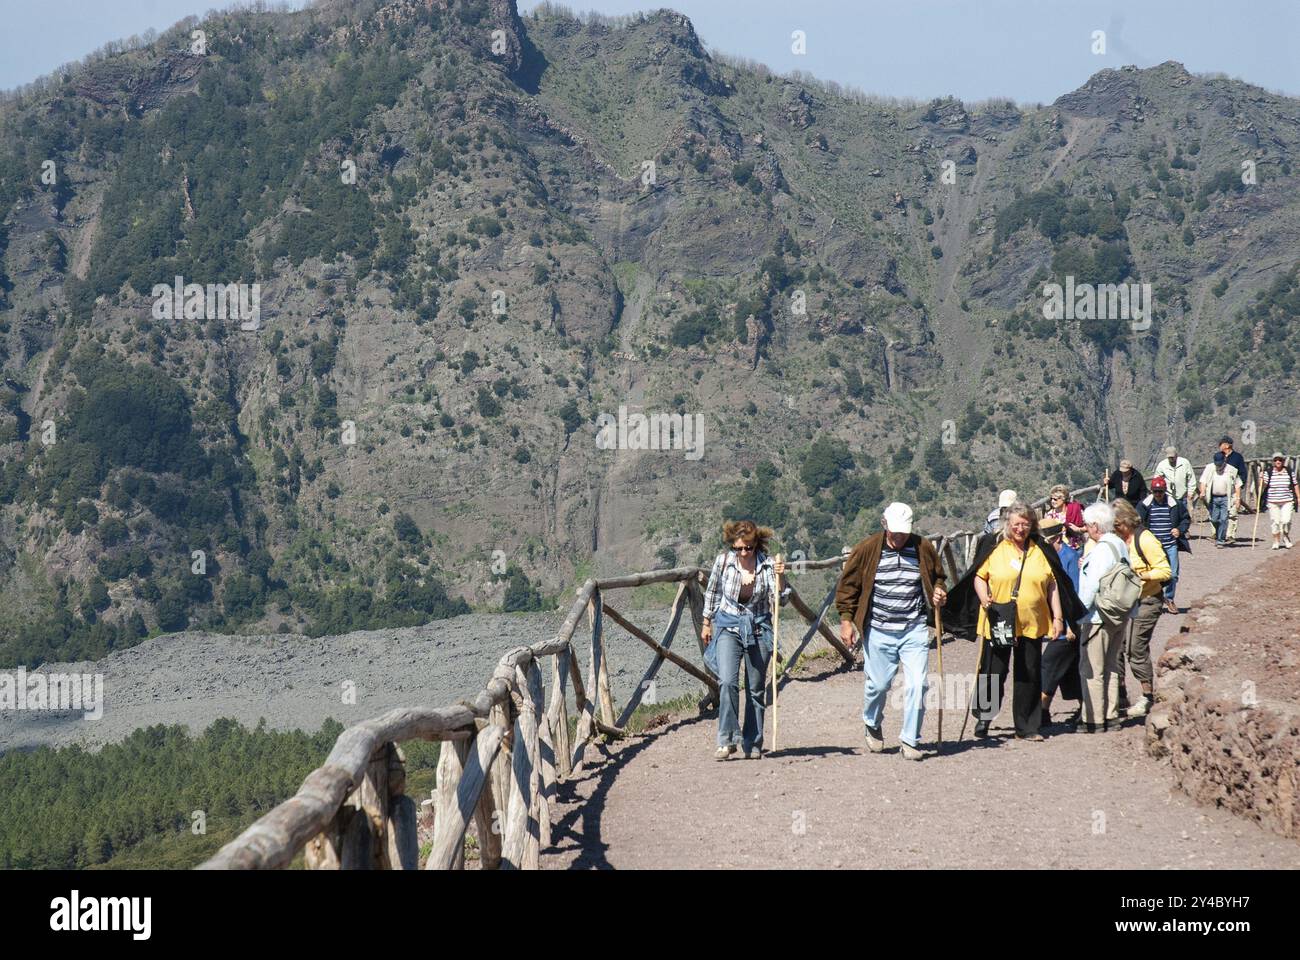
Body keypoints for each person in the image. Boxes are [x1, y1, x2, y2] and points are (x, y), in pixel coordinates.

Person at [946, 503, 1085, 741]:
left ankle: (1027, 726)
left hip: (1032, 620)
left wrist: (1058, 618)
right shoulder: (995, 547)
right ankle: (984, 719)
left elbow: (1053, 585)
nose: (1020, 528)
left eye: (1025, 524)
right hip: (999, 618)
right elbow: (979, 576)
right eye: (1016, 524)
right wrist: (984, 598)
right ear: (1007, 525)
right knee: (993, 671)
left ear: (1031, 525)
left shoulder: (1040, 549)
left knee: (1029, 671)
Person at [835, 502, 948, 760]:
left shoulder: (923, 548)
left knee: (918, 684)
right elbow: (848, 586)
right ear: (884, 525)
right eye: (894, 532)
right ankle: (872, 722)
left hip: (914, 628)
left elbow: (938, 576)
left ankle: (910, 740)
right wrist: (846, 620)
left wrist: (939, 592)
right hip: (878, 628)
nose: (898, 538)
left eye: (903, 533)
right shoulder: (866, 549)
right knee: (878, 685)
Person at [701, 521, 787, 760]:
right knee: (727, 681)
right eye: (738, 548)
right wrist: (706, 622)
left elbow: (780, 598)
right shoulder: (724, 562)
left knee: (755, 689)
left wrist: (781, 577)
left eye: (747, 548)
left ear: (755, 544)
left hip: (758, 627)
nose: (742, 553)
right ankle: (727, 740)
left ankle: (752, 741)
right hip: (728, 626)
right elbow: (713, 592)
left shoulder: (768, 565)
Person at [1111, 499, 1171, 719]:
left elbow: (1165, 571)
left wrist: (1141, 576)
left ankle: (1147, 695)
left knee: (1136, 648)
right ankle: (1118, 694)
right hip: (1125, 601)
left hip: (1147, 599)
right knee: (1117, 647)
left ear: (1127, 520)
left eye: (1117, 524)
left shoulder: (1145, 540)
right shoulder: (1118, 540)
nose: (1115, 529)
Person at [1076, 502, 1130, 731]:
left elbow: (1090, 587)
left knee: (1091, 669)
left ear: (1096, 526)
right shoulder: (1119, 545)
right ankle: (1111, 714)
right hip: (1120, 614)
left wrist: (1078, 615)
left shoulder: (1099, 551)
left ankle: (1093, 718)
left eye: (1088, 525)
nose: (1086, 529)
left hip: (1098, 617)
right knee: (1110, 666)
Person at [1038, 518, 1083, 725]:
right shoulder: (1051, 558)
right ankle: (1085, 707)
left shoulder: (1069, 558)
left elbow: (1073, 594)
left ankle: (1041, 710)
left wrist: (1070, 625)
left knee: (1049, 664)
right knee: (1069, 668)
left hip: (1068, 627)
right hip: (1057, 624)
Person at [1138, 476, 1191, 614]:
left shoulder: (1175, 504)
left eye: (1160, 491)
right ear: (1152, 491)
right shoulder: (1144, 505)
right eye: (1155, 491)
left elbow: (1186, 518)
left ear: (1165, 491)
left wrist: (1179, 529)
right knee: (1155, 573)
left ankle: (1169, 598)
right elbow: (1137, 522)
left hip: (1170, 544)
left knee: (1173, 574)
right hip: (1152, 548)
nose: (1158, 495)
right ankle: (1155, 599)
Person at [1198, 451, 1241, 547]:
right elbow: (1203, 481)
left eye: (1220, 463)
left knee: (1223, 519)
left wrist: (1238, 498)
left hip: (1226, 498)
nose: (1218, 466)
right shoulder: (1209, 468)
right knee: (1214, 519)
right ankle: (1218, 535)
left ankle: (1220, 540)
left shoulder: (1232, 470)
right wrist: (1203, 491)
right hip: (1213, 498)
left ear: (1224, 460)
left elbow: (1237, 485)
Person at [1259, 452, 1299, 550]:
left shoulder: (1289, 472)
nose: (1278, 462)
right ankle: (1276, 541)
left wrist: (1298, 497)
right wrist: (1261, 478)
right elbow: (1263, 486)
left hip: (1287, 500)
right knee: (1275, 522)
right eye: (1276, 460)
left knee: (1286, 520)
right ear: (1273, 462)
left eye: (1280, 460)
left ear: (1283, 461)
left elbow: (1295, 484)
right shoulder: (1269, 472)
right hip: (1273, 501)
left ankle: (1285, 537)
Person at [1219, 437, 1248, 543]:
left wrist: (1240, 486)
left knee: (1233, 513)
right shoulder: (1219, 457)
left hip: (1234, 489)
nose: (1220, 446)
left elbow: (1243, 472)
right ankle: (1219, 534)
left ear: (1227, 445)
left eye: (1221, 444)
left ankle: (1230, 535)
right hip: (1221, 489)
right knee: (1220, 513)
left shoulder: (1237, 457)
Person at [1042, 483, 1086, 550]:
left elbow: (1089, 526)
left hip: (1077, 547)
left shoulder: (1076, 510)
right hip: (1060, 551)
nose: (1052, 501)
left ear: (1063, 498)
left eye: (1055, 499)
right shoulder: (1050, 515)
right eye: (1051, 499)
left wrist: (1079, 529)